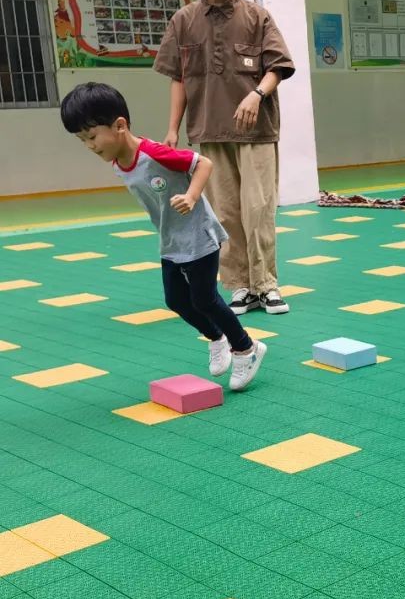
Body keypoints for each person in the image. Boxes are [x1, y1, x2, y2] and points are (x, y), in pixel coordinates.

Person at [59, 82, 267, 391]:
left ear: (120, 126)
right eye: (82, 140)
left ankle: (247, 348)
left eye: (91, 136)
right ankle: (217, 338)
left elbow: (203, 163)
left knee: (205, 299)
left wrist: (192, 197)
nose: (89, 145)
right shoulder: (118, 162)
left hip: (198, 235)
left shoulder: (153, 153)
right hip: (172, 240)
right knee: (176, 300)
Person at [154, 0, 295, 316]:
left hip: (256, 131)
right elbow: (178, 78)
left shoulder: (256, 16)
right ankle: (240, 286)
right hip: (209, 130)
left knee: (258, 208)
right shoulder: (184, 21)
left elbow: (279, 66)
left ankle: (267, 284)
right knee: (225, 212)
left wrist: (257, 94)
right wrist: (172, 129)